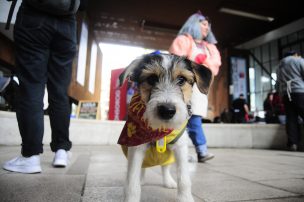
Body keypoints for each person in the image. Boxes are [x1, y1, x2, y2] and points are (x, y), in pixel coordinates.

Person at [2, 1, 86, 174]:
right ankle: (62, 150)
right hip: (67, 23)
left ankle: (30, 156)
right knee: (60, 92)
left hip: (34, 15)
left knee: (31, 86)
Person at [169, 12, 221, 162]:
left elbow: (214, 67)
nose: (207, 28)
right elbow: (175, 61)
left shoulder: (211, 47)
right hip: (182, 86)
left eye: (208, 25)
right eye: (204, 24)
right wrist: (198, 61)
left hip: (200, 88)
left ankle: (195, 152)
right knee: (181, 118)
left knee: (194, 117)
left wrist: (201, 60)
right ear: (193, 24)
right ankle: (199, 151)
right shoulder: (182, 40)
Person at [276, 50, 304, 151]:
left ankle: (292, 144)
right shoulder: (298, 60)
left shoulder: (279, 66)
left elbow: (277, 82)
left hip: (286, 94)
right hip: (299, 91)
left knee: (291, 118)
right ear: (295, 54)